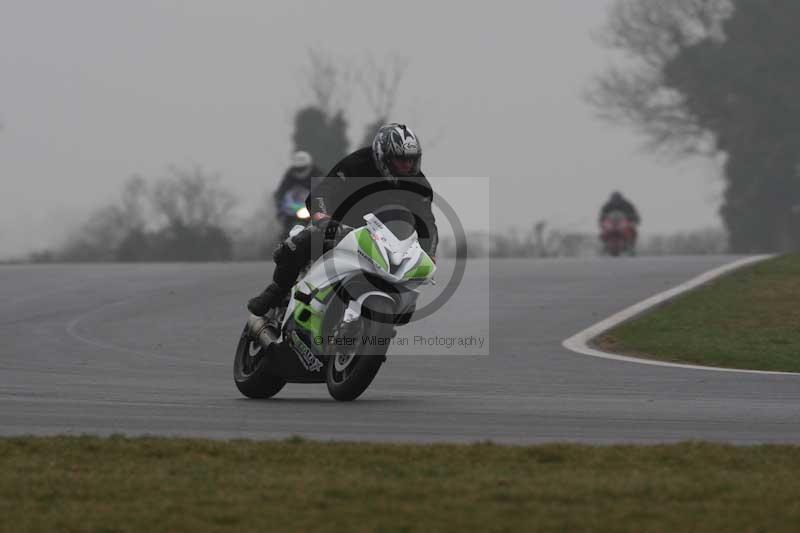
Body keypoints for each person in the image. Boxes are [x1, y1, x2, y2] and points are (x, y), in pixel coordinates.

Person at [247, 123, 439, 316]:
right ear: (383, 156)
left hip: (381, 242)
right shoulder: (356, 164)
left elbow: (427, 223)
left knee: (404, 290)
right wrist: (323, 217)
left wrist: (429, 253)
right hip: (339, 228)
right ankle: (277, 290)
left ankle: (375, 321)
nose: (407, 166)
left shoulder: (419, 184)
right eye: (401, 161)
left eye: (411, 161)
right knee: (298, 244)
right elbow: (321, 192)